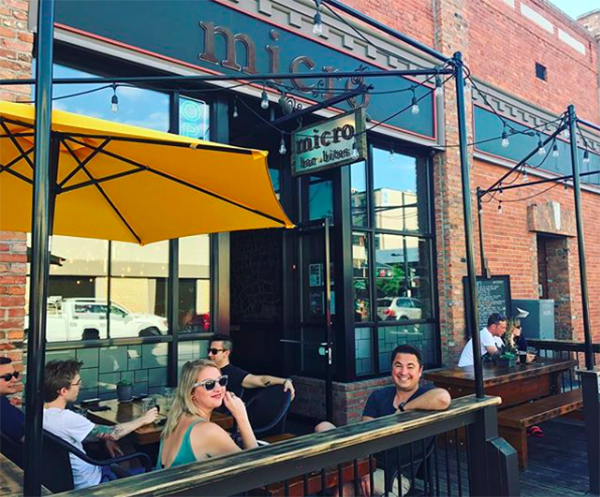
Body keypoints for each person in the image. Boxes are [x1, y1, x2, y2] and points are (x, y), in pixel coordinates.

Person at [316, 344, 451, 496]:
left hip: (396, 475)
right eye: (398, 365)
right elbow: (365, 436)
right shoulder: (378, 396)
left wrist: (403, 409)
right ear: (392, 369)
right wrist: (363, 471)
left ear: (420, 371)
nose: (403, 372)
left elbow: (443, 398)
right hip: (368, 465)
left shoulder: (425, 394)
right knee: (323, 428)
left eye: (410, 366)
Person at [43, 359, 158, 490]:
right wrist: (143, 419)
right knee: (155, 471)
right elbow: (113, 434)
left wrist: (104, 438)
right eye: (78, 383)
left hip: (76, 478)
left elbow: (84, 434)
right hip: (95, 483)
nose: (80, 386)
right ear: (63, 391)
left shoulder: (41, 415)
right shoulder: (66, 418)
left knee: (125, 458)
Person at [158, 359, 257, 469]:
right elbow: (254, 470)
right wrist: (241, 416)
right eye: (209, 384)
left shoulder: (176, 419)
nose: (218, 388)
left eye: (221, 381)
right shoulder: (208, 431)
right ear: (191, 392)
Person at [207, 333, 295, 400]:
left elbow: (261, 380)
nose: (209, 354)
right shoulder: (206, 370)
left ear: (226, 353)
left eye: (214, 351)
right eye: (209, 350)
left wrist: (285, 381)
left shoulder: (235, 373)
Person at [0, 357, 24, 442]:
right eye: (7, 377)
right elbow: (30, 439)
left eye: (15, 374)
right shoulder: (4, 409)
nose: (14, 379)